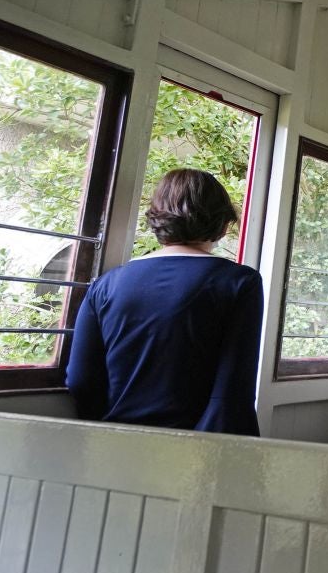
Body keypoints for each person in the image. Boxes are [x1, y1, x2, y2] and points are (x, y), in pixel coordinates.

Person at [66, 168, 263, 436]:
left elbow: (80, 380)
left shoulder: (106, 284)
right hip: (200, 447)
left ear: (157, 218)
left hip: (116, 442)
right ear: (223, 222)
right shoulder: (239, 282)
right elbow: (232, 392)